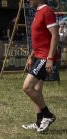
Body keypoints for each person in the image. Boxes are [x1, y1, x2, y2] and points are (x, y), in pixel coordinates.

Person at [22, 0, 59, 132]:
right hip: (39, 55)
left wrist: (49, 58)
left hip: (45, 57)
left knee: (27, 87)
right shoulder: (38, 12)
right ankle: (39, 122)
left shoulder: (47, 11)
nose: (29, 0)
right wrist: (31, 56)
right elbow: (40, 38)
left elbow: (55, 35)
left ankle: (48, 115)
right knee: (36, 91)